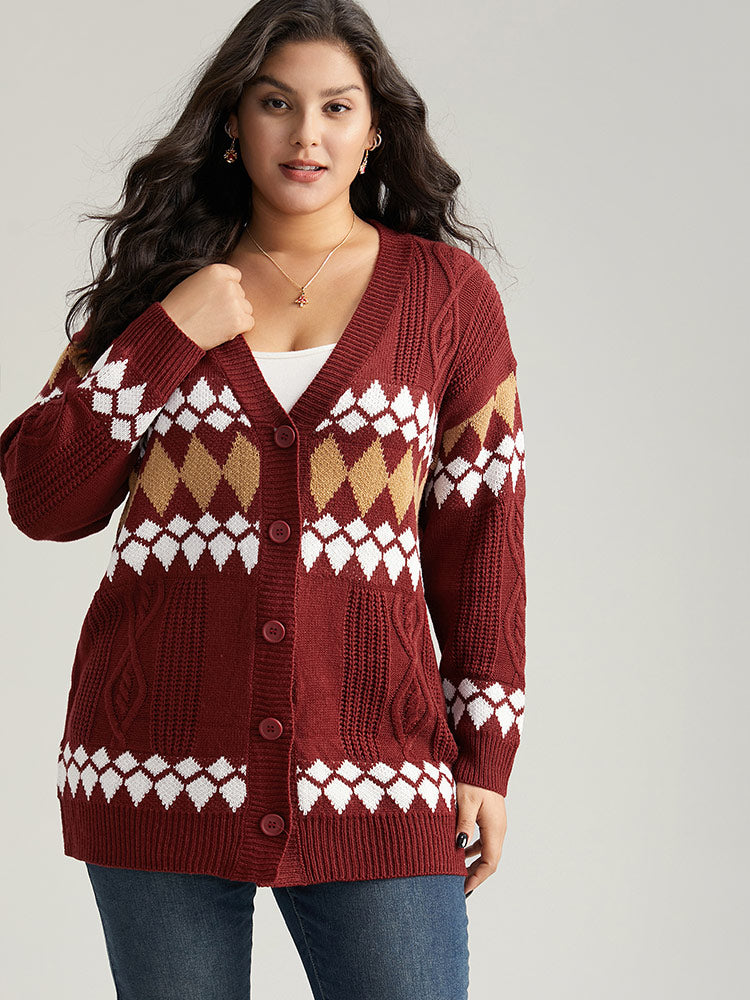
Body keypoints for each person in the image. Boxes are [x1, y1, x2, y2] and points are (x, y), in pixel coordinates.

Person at [0, 2, 527, 997]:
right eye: (277, 103)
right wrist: (167, 334)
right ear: (234, 124)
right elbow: (42, 496)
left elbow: (484, 535)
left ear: (376, 130)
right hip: (156, 765)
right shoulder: (160, 287)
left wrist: (485, 756)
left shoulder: (446, 297)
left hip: (376, 767)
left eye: (337, 107)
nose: (307, 134)